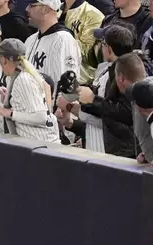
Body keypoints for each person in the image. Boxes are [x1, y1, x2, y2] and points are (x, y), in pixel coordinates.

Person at [57, 24, 136, 155]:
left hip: (116, 151)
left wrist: (91, 100)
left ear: (109, 49)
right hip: (100, 144)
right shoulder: (109, 69)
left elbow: (125, 114)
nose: (99, 47)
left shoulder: (125, 73)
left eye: (102, 43)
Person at [0, 38, 60, 142]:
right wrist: (10, 100)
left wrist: (7, 112)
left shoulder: (23, 79)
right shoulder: (24, 75)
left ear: (4, 59)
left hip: (43, 146)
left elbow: (41, 117)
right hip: (41, 145)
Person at [24, 0, 81, 84]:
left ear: (46, 9)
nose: (27, 9)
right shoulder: (30, 40)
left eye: (32, 5)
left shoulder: (64, 39)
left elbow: (67, 84)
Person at [59, 0, 104, 84]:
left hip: (80, 82)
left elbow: (90, 56)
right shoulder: (52, 11)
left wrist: (60, 36)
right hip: (52, 73)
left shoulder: (93, 15)